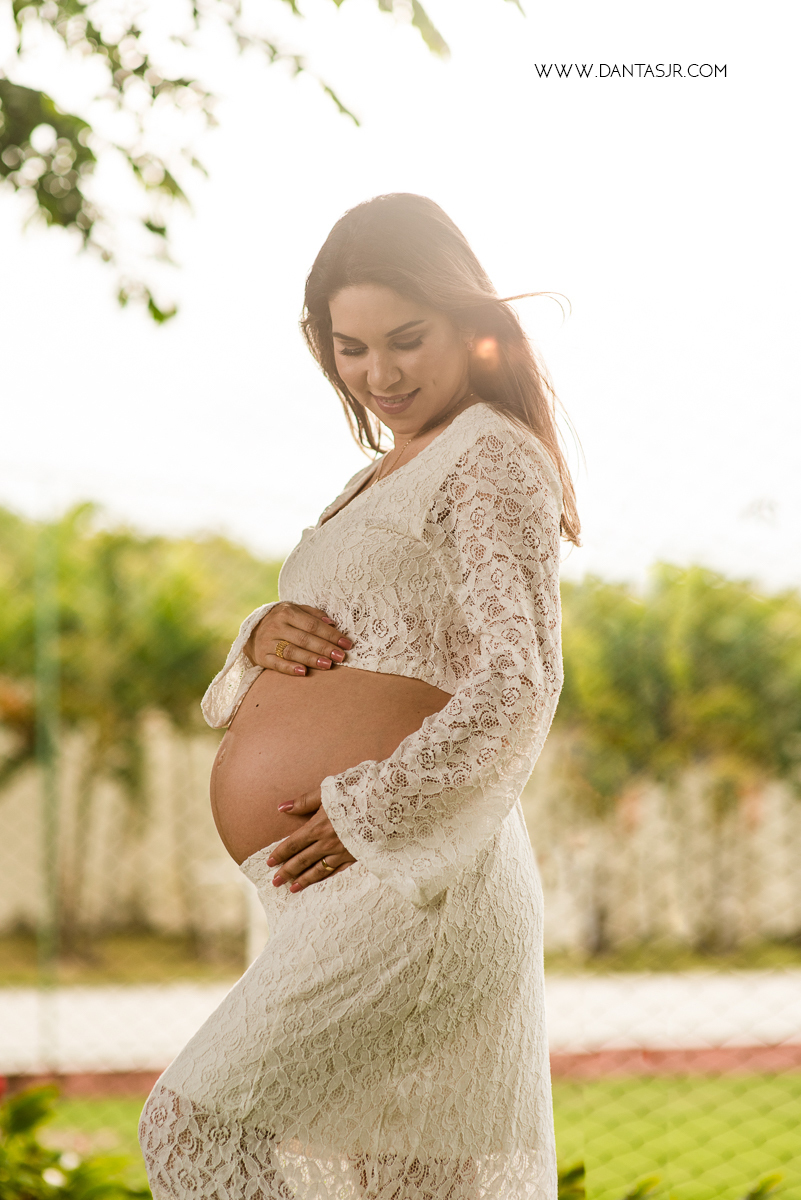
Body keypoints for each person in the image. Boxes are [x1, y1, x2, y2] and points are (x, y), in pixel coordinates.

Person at [139, 192, 580, 1200]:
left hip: (417, 881)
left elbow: (521, 678)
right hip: (336, 889)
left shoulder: (490, 454)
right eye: (351, 348)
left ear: (470, 324)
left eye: (406, 340)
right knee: (398, 1185)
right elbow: (370, 632)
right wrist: (258, 635)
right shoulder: (380, 475)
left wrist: (366, 808)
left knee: (192, 1129)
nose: (379, 373)